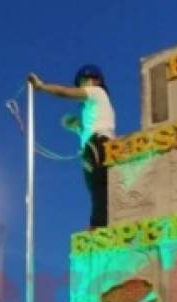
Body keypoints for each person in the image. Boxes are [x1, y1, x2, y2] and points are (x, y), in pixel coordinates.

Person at [28, 64, 116, 229]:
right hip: (98, 143)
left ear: (95, 81)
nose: (82, 86)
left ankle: (98, 224)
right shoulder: (97, 107)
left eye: (84, 82)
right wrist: (75, 125)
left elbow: (65, 93)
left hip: (97, 142)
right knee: (97, 185)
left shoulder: (97, 92)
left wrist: (42, 86)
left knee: (98, 184)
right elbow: (86, 127)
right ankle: (100, 222)